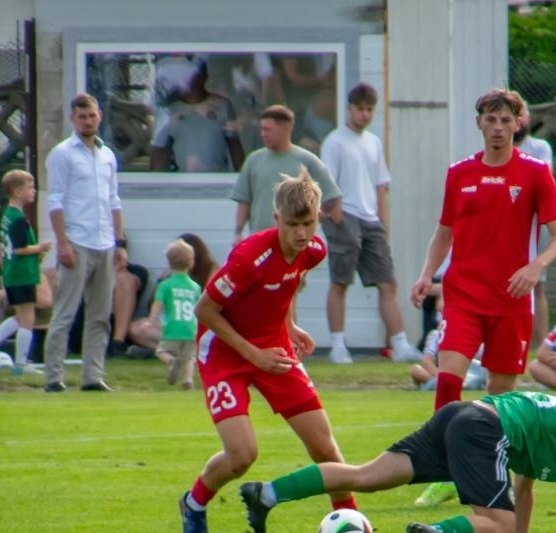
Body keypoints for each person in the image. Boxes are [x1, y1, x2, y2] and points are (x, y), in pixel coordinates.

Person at [178, 170, 389, 533]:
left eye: (308, 224)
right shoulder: (248, 257)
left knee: (324, 445)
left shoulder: (314, 251)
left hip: (275, 349)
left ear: (318, 218)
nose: (301, 233)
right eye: (292, 225)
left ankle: (357, 528)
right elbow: (205, 310)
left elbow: (287, 283)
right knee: (243, 455)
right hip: (226, 353)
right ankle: (193, 504)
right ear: (277, 220)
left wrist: (290, 326)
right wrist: (254, 354)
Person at [239, 390, 556, 533]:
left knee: (365, 475)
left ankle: (267, 494)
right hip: (484, 429)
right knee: (496, 529)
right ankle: (443, 532)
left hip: (459, 415)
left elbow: (524, 488)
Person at [408, 88, 556, 412]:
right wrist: (426, 274)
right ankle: (443, 456)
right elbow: (444, 233)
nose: (498, 127)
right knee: (448, 381)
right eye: (491, 119)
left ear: (518, 124)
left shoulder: (536, 173)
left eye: (505, 120)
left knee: (499, 396)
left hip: (511, 297)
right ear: (479, 123)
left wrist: (536, 266)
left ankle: (488, 457)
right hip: (463, 294)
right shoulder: (459, 173)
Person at [318, 83, 419, 364]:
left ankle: (400, 345)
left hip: (371, 218)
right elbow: (328, 183)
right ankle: (338, 345)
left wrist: (382, 222)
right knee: (340, 281)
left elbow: (380, 185)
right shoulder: (335, 141)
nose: (364, 115)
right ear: (349, 109)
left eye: (369, 110)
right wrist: (336, 215)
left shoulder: (373, 142)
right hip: (344, 215)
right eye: (360, 109)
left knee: (387, 283)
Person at [42, 93, 127, 392]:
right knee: (65, 312)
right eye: (82, 117)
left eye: (91, 116)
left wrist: (120, 242)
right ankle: (53, 376)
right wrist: (62, 243)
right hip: (76, 240)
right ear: (72, 119)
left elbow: (113, 200)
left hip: (104, 241)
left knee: (100, 315)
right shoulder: (62, 154)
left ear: (99, 116)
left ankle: (93, 376)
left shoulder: (107, 155)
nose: (87, 121)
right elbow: (55, 202)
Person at [231, 105, 340, 240]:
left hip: (296, 242)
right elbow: (244, 201)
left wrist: (311, 219)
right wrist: (238, 232)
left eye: (267, 129)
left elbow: (331, 197)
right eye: (261, 129)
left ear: (286, 128)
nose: (262, 134)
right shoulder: (254, 160)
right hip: (260, 240)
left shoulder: (307, 160)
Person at [0, 168, 51, 373]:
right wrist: (40, 248)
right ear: (17, 192)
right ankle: (20, 363)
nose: (34, 191)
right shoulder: (18, 218)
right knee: (27, 318)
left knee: (20, 316)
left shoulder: (8, 215)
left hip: (13, 272)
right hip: (22, 273)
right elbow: (20, 248)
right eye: (30, 187)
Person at [129, 238, 202, 388]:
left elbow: (158, 303)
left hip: (172, 328)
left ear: (169, 263)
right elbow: (198, 307)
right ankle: (188, 380)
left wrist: (150, 321)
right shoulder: (195, 287)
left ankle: (171, 361)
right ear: (191, 263)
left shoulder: (166, 285)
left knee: (161, 351)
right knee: (189, 357)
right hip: (190, 329)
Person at [149, 59, 244, 173]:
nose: (193, 79)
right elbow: (159, 150)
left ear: (205, 76)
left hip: (217, 180)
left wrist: (244, 179)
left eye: (196, 74)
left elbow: (234, 144)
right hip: (181, 182)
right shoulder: (168, 110)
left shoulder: (223, 105)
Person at [515, 106, 556, 348]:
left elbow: (544, 179)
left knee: (537, 284)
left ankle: (542, 343)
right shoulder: (496, 149)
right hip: (507, 225)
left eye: (523, 114)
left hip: (534, 222)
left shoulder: (540, 147)